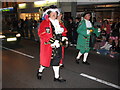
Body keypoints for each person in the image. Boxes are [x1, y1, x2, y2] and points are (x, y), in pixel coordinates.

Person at [37, 5, 67, 82]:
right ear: (49, 14)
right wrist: (52, 41)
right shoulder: (45, 22)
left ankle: (56, 77)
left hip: (59, 45)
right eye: (52, 13)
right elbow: (42, 34)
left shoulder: (59, 23)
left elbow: (63, 31)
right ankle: (40, 71)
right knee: (45, 62)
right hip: (49, 45)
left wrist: (63, 37)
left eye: (55, 13)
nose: (54, 14)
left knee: (56, 61)